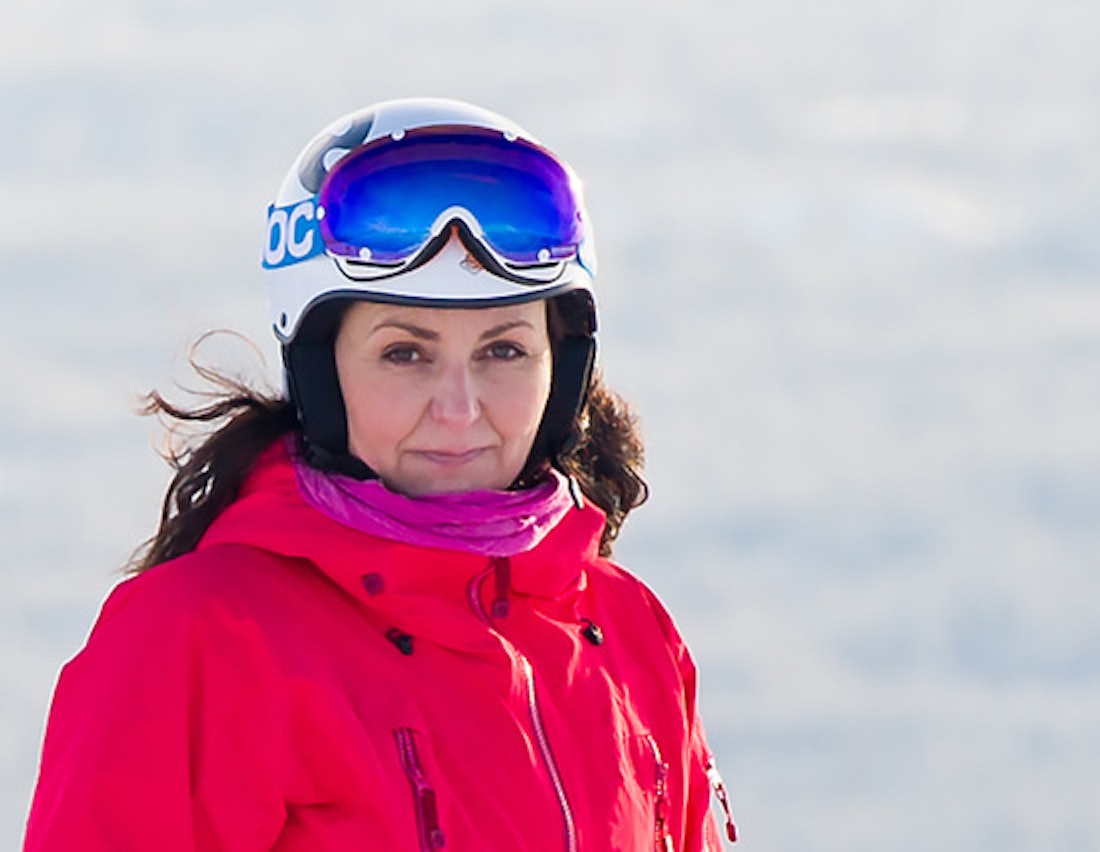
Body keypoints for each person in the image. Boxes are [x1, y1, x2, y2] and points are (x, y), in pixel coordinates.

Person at [25, 97, 736, 851]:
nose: (460, 410)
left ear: (563, 370)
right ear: (321, 369)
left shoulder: (627, 633)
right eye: (406, 353)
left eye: (504, 351)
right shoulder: (199, 640)